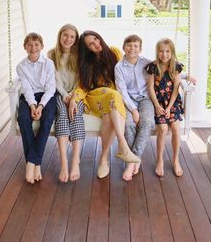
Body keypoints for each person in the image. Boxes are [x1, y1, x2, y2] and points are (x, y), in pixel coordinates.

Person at [69, 30, 140, 179]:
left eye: (96, 38)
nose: (96, 43)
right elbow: (82, 87)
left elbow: (127, 71)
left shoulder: (114, 52)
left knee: (111, 113)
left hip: (114, 98)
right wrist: (74, 99)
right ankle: (123, 145)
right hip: (96, 97)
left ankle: (103, 159)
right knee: (114, 96)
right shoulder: (86, 63)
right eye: (90, 44)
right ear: (87, 48)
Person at [17, 32, 57, 184]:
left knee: (47, 120)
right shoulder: (21, 66)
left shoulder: (48, 64)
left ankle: (31, 163)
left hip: (47, 97)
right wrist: (32, 105)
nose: (33, 47)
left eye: (36, 44)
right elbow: (26, 89)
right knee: (23, 118)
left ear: (42, 46)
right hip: (29, 98)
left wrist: (40, 106)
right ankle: (36, 163)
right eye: (29, 44)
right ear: (25, 47)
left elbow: (51, 88)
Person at [48, 24, 85, 183]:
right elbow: (54, 78)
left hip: (77, 94)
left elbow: (81, 79)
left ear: (75, 39)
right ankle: (64, 162)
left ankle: (75, 160)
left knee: (75, 115)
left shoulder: (79, 55)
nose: (68, 39)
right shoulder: (51, 54)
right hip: (59, 93)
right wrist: (64, 95)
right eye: (65, 35)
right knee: (62, 115)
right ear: (60, 35)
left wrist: (73, 97)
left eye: (72, 36)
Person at [115, 34, 155, 181]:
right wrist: (133, 109)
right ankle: (133, 161)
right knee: (129, 123)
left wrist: (185, 76)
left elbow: (165, 69)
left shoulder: (146, 63)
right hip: (128, 100)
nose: (132, 48)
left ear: (140, 48)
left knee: (147, 122)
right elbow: (122, 91)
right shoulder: (119, 67)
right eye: (129, 45)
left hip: (145, 99)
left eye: (136, 45)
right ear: (124, 47)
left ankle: (133, 160)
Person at [146, 38, 184, 177]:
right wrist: (157, 106)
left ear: (172, 52)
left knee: (175, 127)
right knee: (162, 128)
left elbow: (175, 88)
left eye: (167, 51)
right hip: (158, 102)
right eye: (161, 51)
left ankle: (175, 159)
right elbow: (150, 87)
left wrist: (169, 107)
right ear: (157, 52)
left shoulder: (177, 66)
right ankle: (159, 160)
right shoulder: (153, 67)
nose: (164, 54)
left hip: (172, 102)